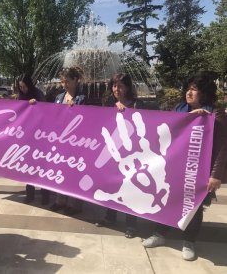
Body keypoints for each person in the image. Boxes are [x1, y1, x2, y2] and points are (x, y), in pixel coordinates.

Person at [142, 72, 227, 261]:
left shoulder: (214, 114)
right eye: (188, 88)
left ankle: (189, 242)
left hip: (198, 172)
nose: (189, 92)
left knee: (193, 207)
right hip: (174, 168)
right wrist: (189, 118)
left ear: (204, 93)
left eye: (194, 89)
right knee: (166, 200)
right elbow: (165, 133)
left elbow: (222, 146)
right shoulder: (178, 109)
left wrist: (215, 175)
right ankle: (159, 233)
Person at [95, 73, 145, 238]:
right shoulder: (108, 103)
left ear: (128, 87)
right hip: (113, 153)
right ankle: (110, 217)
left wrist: (128, 113)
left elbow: (145, 126)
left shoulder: (138, 104)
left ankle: (131, 224)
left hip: (132, 154)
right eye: (114, 85)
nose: (117, 89)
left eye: (121, 86)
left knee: (132, 188)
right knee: (112, 185)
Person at [50, 66, 87, 216]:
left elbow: (85, 120)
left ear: (75, 80)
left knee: (73, 172)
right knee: (60, 170)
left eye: (67, 81)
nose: (64, 84)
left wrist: (76, 109)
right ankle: (60, 200)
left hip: (75, 143)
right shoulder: (59, 98)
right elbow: (53, 116)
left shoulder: (81, 99)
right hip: (60, 141)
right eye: (62, 81)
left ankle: (75, 204)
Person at [17, 73, 51, 205]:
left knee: (42, 167)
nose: (23, 89)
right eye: (21, 87)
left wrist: (36, 105)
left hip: (40, 137)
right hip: (26, 137)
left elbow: (46, 110)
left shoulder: (38, 94)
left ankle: (45, 195)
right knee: (28, 167)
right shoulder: (21, 96)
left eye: (25, 86)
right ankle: (29, 194)